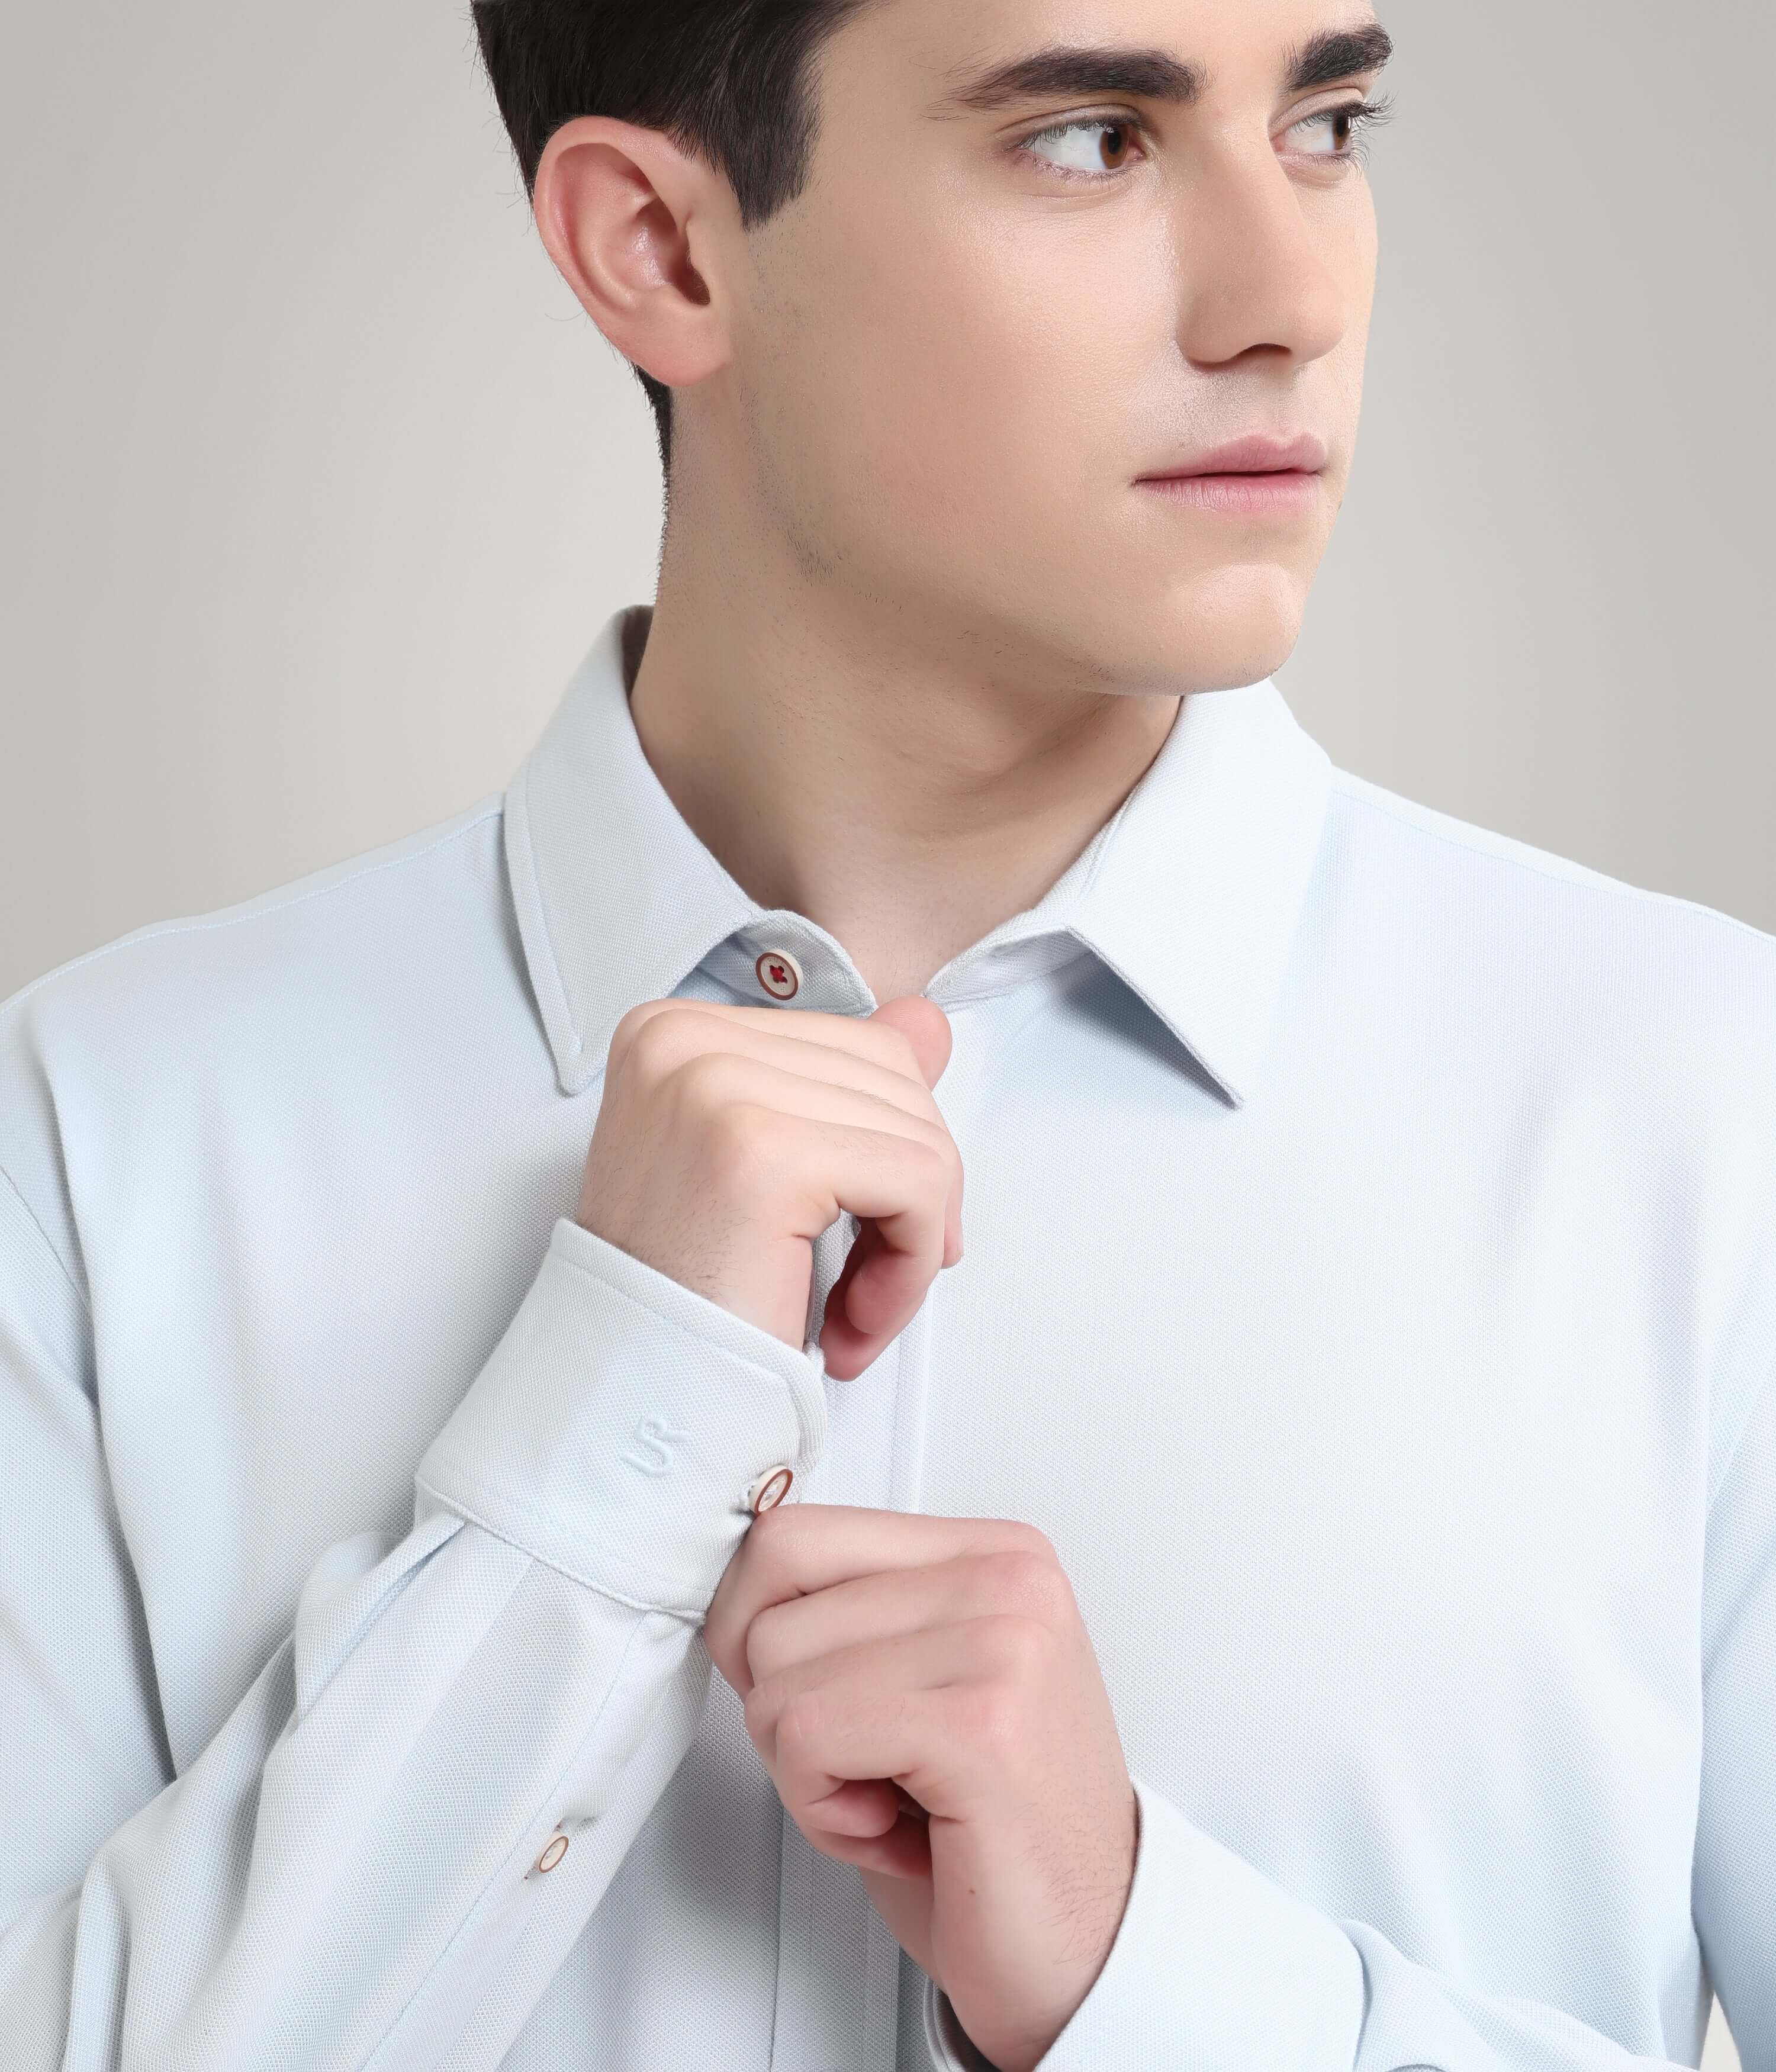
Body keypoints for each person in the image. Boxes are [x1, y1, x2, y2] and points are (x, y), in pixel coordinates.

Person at [2, 0, 1772, 2065]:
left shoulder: (1711, 1113)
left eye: (1328, 120)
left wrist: (1150, 1976)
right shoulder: (95, 1141)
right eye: (1094, 140)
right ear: (660, 249)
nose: (1291, 297)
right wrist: (598, 1456)